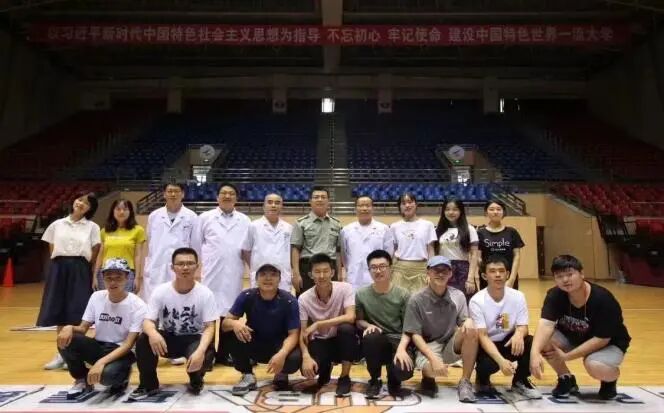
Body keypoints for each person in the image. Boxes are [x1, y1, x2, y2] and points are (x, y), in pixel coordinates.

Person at [530, 255, 631, 400]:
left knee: (594, 365)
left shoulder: (603, 299)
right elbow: (545, 324)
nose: (565, 280)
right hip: (573, 337)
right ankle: (566, 378)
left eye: (570, 274)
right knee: (543, 341)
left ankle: (609, 380)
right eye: (559, 276)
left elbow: (602, 339)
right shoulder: (555, 295)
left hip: (608, 343)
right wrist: (534, 353)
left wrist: (567, 356)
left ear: (582, 274)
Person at [129, 248, 217, 400]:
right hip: (168, 339)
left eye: (190, 263)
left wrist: (200, 351)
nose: (185, 267)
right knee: (144, 339)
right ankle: (148, 384)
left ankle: (196, 379)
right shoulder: (161, 291)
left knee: (206, 350)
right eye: (180, 264)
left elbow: (210, 327)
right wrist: (153, 334)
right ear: (172, 267)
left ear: (197, 266)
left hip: (193, 339)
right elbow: (148, 321)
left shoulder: (205, 293)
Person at [58, 258, 146, 399]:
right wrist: (69, 328)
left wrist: (100, 363)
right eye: (109, 278)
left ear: (127, 278)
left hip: (122, 351)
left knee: (107, 377)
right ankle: (81, 379)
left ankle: (122, 377)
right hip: (99, 346)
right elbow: (83, 328)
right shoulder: (96, 297)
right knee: (66, 340)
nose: (113, 282)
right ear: (103, 278)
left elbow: (128, 345)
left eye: (118, 278)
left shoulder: (138, 305)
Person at [400, 255, 478, 402]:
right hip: (427, 346)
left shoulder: (458, 296)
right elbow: (415, 335)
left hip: (449, 343)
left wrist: (468, 321)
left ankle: (465, 382)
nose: (441, 274)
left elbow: (463, 322)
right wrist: (433, 359)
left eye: (445, 270)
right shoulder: (416, 299)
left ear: (450, 273)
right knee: (432, 370)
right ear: (428, 272)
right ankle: (427, 377)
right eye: (436, 270)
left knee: (471, 330)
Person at [39, 192, 101, 370]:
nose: (81, 204)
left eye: (86, 203)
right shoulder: (57, 224)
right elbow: (51, 247)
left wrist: (84, 268)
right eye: (80, 199)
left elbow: (95, 249)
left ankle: (74, 354)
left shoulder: (93, 227)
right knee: (60, 310)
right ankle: (61, 353)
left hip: (80, 268)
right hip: (59, 268)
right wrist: (60, 264)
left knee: (77, 310)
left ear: (90, 209)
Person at [192, 182, 250, 365]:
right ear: (217, 197)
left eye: (231, 193)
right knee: (209, 314)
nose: (227, 196)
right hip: (211, 272)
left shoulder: (244, 220)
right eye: (223, 193)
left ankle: (224, 354)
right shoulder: (205, 218)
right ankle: (207, 354)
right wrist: (195, 271)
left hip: (234, 272)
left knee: (229, 314)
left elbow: (247, 248)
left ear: (236, 198)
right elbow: (195, 245)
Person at [223, 263, 302, 395]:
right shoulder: (246, 295)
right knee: (231, 332)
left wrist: (282, 353)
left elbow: (294, 334)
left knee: (295, 358)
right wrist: (235, 324)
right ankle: (247, 375)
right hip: (255, 343)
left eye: (273, 275)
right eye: (263, 274)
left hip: (279, 345)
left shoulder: (289, 300)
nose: (268, 278)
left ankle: (281, 373)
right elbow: (225, 323)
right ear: (256, 279)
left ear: (279, 279)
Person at [469, 255, 541, 399]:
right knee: (487, 365)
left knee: (530, 342)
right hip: (488, 344)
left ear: (507, 274)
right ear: (484, 276)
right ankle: (482, 379)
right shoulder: (477, 300)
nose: (498, 275)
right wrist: (501, 361)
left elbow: (523, 326)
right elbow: (482, 336)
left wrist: (519, 334)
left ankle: (520, 380)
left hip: (509, 341)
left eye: (501, 271)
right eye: (492, 271)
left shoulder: (518, 296)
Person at [298, 253, 359, 397]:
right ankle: (325, 369)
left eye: (325, 271)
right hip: (321, 341)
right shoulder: (304, 298)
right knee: (308, 371)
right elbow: (302, 332)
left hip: (341, 340)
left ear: (332, 272)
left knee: (347, 328)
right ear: (310, 274)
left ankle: (344, 377)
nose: (322, 276)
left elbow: (351, 317)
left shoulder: (345, 288)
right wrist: (306, 356)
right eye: (317, 272)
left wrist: (318, 324)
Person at [355, 249, 413, 399]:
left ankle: (394, 379)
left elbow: (409, 326)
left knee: (403, 371)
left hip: (398, 341)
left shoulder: (403, 294)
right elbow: (358, 320)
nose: (378, 271)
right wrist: (368, 326)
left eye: (382, 266)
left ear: (390, 268)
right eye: (373, 267)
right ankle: (375, 380)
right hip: (377, 340)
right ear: (369, 270)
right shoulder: (361, 294)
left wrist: (402, 349)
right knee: (370, 337)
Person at [142, 183, 196, 304]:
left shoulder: (191, 217)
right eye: (170, 191)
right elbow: (150, 241)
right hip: (157, 265)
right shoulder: (154, 216)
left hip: (181, 267)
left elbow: (194, 245)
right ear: (164, 194)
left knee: (178, 303)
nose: (173, 194)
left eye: (176, 191)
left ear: (183, 194)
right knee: (154, 304)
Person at [291, 186, 342, 296]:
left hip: (330, 268)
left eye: (323, 197)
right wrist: (296, 274)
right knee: (305, 301)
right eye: (316, 197)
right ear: (310, 201)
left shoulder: (337, 224)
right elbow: (295, 249)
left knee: (331, 300)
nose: (320, 199)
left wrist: (340, 273)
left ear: (328, 201)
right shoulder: (301, 223)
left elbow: (338, 251)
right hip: (308, 268)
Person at [340, 196, 393, 292]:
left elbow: (389, 254)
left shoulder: (384, 229)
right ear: (355, 208)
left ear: (373, 208)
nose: (364, 208)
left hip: (377, 275)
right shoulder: (346, 230)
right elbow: (344, 255)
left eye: (367, 205)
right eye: (361, 205)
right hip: (354, 277)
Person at [241, 193, 293, 292]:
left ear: (281, 207)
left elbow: (291, 252)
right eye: (270, 202)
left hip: (283, 277)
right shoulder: (253, 226)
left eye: (277, 203)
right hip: (260, 276)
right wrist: (255, 267)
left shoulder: (288, 228)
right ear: (263, 206)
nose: (273, 205)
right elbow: (246, 250)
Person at [94, 199, 146, 293]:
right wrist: (95, 276)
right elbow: (100, 255)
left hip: (127, 273)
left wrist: (137, 278)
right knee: (105, 300)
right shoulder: (104, 231)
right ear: (113, 211)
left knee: (125, 300)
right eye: (118, 209)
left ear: (130, 212)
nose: (121, 212)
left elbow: (138, 256)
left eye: (125, 209)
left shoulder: (138, 230)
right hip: (105, 273)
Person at [389, 193, 437, 293]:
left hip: (421, 269)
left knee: (420, 300)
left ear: (416, 204)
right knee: (399, 300)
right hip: (399, 269)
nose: (407, 205)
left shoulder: (428, 225)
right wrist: (390, 271)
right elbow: (393, 251)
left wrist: (431, 271)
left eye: (410, 202)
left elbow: (431, 250)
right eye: (403, 203)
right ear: (400, 207)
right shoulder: (394, 226)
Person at [435, 197, 479, 296]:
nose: (451, 212)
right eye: (447, 209)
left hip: (462, 271)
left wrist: (470, 278)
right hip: (443, 269)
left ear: (461, 211)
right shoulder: (438, 230)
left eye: (455, 209)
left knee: (463, 301)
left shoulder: (469, 229)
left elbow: (474, 255)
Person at [476, 200, 525, 290]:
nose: (495, 212)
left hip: (507, 276)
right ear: (486, 213)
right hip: (488, 277)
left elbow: (517, 256)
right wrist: (486, 275)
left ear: (504, 212)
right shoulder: (480, 233)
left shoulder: (512, 232)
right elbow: (478, 258)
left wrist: (512, 278)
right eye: (491, 209)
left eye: (499, 209)